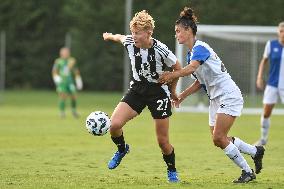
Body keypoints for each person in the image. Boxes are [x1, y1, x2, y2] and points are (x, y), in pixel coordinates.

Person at [158, 7, 265, 183]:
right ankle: (255, 151)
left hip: (228, 94)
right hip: (216, 98)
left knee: (219, 137)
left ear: (188, 30)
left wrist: (170, 75)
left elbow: (191, 69)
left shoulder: (200, 47)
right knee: (218, 140)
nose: (176, 35)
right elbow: (199, 81)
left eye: (178, 31)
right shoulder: (191, 55)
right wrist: (181, 97)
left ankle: (247, 172)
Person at [102, 10, 182, 182]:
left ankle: (172, 170)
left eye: (137, 33)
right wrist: (109, 36)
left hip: (158, 93)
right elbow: (119, 37)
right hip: (137, 89)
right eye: (133, 32)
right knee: (114, 125)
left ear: (149, 33)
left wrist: (173, 91)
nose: (134, 36)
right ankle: (122, 149)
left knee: (162, 142)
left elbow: (178, 68)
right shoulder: (130, 42)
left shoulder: (161, 50)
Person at [255, 22, 284, 146]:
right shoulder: (271, 45)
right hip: (272, 84)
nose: (283, 33)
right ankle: (263, 139)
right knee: (266, 112)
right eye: (281, 31)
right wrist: (260, 76)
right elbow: (264, 61)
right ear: (278, 32)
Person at [52, 47, 83, 118]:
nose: (66, 54)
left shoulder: (72, 61)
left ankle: (74, 111)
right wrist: (56, 78)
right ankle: (62, 112)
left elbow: (76, 71)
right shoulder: (58, 61)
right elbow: (54, 71)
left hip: (70, 82)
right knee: (62, 96)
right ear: (61, 53)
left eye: (67, 52)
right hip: (62, 82)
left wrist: (78, 80)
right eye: (64, 52)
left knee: (74, 96)